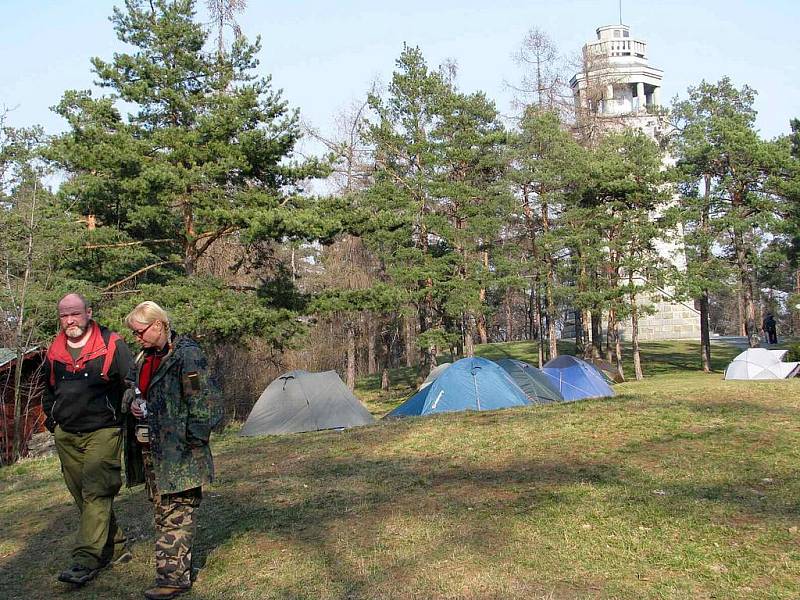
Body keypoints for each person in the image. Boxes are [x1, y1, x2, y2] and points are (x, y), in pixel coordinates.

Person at [124, 301, 220, 600]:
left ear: (158, 325)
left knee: (176, 513)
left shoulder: (187, 355)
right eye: (135, 333)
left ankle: (173, 580)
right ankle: (171, 574)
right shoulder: (143, 358)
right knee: (164, 512)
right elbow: (130, 388)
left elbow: (205, 406)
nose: (137, 338)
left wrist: (190, 444)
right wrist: (134, 403)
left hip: (180, 454)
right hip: (153, 452)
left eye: (140, 332)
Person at [42, 293, 135, 585]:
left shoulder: (112, 344)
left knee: (97, 491)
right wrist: (52, 418)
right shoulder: (54, 349)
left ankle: (85, 559)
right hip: (66, 433)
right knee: (82, 494)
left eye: (75, 313)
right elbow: (47, 388)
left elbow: (132, 381)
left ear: (89, 312)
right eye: (64, 315)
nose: (70, 320)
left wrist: (126, 414)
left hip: (103, 430)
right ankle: (116, 544)